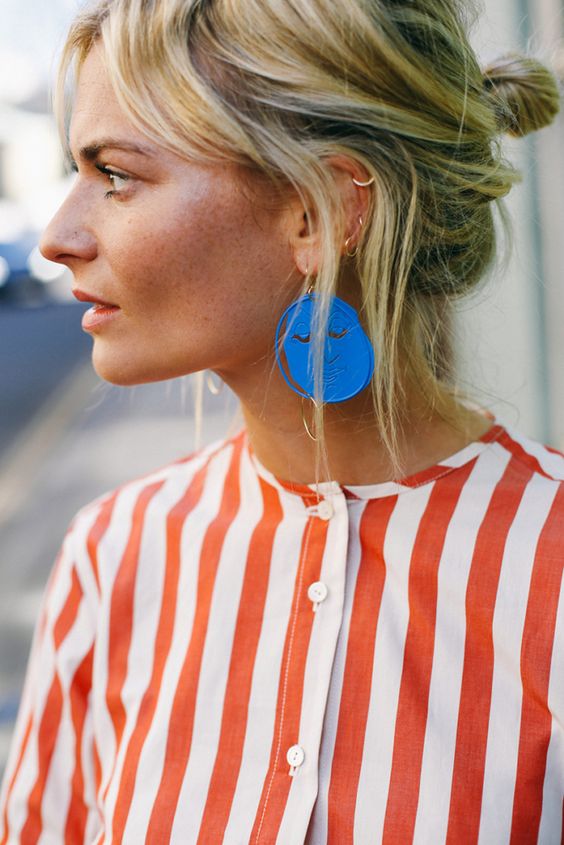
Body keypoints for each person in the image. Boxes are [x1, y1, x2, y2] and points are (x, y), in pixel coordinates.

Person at [1, 0, 562, 842]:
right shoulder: (112, 556)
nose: (57, 236)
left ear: (318, 213)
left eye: (116, 174)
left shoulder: (548, 563)